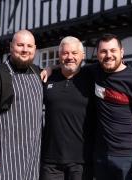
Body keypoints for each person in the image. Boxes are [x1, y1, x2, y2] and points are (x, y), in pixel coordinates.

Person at [0, 30, 43, 180]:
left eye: (29, 46)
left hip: (33, 160)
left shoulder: (38, 73)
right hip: (5, 159)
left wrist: (52, 68)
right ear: (11, 46)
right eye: (20, 45)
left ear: (35, 49)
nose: (25, 49)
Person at [91, 33, 132, 180]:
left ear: (121, 52)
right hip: (100, 155)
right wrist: (52, 67)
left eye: (113, 50)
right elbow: (71, 65)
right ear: (97, 54)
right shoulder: (94, 71)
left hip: (128, 157)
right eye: (103, 51)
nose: (108, 55)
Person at [40, 36, 95, 180]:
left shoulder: (92, 77)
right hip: (50, 160)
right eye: (65, 53)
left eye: (74, 53)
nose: (70, 57)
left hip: (81, 161)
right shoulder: (47, 79)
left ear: (82, 56)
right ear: (59, 55)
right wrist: (50, 68)